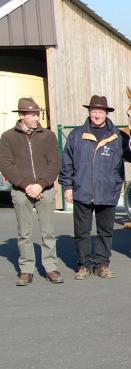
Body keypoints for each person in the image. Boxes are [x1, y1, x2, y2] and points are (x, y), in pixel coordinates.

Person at [60, 95, 131, 280]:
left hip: (107, 191)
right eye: (94, 111)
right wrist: (68, 186)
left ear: (106, 113)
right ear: (89, 112)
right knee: (82, 232)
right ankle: (84, 265)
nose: (97, 115)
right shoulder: (76, 135)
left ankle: (102, 265)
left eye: (100, 112)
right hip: (82, 190)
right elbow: (67, 163)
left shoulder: (119, 136)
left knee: (105, 232)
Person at [0, 98, 62, 286]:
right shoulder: (8, 137)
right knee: (24, 233)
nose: (37, 118)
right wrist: (26, 185)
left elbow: (55, 163)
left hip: (45, 190)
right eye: (33, 114)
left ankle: (51, 267)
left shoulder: (48, 135)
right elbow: (5, 164)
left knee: (48, 232)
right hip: (21, 191)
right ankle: (26, 269)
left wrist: (40, 185)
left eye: (38, 114)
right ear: (22, 115)